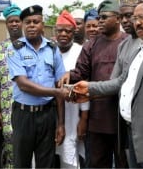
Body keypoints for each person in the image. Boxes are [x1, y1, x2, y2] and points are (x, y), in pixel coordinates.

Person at [73, 0, 143, 168]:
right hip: (131, 133)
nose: (137, 22)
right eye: (135, 18)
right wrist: (89, 88)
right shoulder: (137, 48)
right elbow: (120, 81)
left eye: (142, 17)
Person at [59, 0, 129, 168]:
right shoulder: (91, 45)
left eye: (104, 17)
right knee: (96, 163)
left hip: (123, 120)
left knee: (124, 163)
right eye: (99, 18)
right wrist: (69, 75)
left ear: (118, 18)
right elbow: (81, 72)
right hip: (98, 119)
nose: (100, 22)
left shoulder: (129, 42)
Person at [6, 4, 70, 168]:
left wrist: (61, 124)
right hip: (23, 115)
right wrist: (56, 92)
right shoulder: (15, 49)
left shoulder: (52, 49)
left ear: (43, 25)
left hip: (47, 115)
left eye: (36, 21)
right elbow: (23, 84)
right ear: (22, 25)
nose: (32, 25)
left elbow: (59, 82)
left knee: (46, 164)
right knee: (22, 163)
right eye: (27, 22)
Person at [54, 10, 89, 168]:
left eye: (67, 31)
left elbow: (85, 86)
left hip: (75, 114)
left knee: (74, 156)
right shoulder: (50, 51)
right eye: (59, 30)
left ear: (73, 32)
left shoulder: (81, 52)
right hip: (54, 114)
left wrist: (83, 118)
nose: (63, 34)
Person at [0, 3, 22, 168]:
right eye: (11, 21)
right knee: (9, 144)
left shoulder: (30, 45)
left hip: (26, 106)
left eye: (17, 20)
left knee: (27, 144)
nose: (14, 24)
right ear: (6, 24)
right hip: (7, 108)